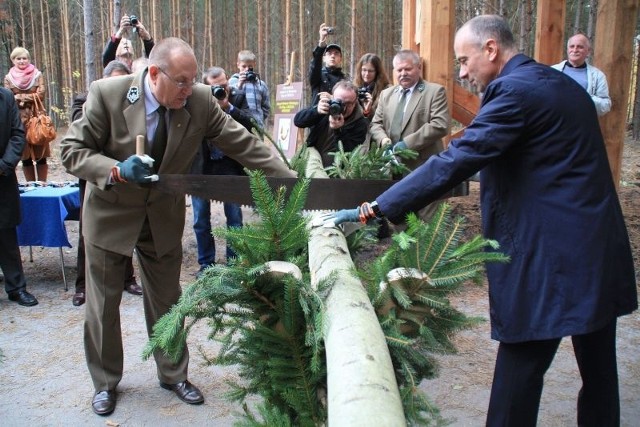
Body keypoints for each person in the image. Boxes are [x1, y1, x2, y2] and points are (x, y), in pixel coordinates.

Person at [323, 15, 637, 427]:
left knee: (518, 373)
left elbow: (455, 160)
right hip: (595, 249)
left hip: (551, 261)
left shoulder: (514, 93)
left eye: (464, 60)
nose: (462, 72)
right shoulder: (556, 83)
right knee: (599, 374)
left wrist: (375, 207)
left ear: (491, 49)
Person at [60, 37, 294, 417]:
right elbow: (72, 151)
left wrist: (289, 181)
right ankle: (104, 383)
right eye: (181, 81)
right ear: (154, 73)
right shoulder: (108, 94)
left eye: (193, 80)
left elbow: (242, 143)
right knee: (103, 307)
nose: (190, 89)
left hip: (162, 217)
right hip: (111, 217)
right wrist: (116, 170)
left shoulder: (199, 101)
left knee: (168, 301)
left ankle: (173, 374)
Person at [70, 60, 142, 307]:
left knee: (127, 231)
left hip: (128, 177)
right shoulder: (85, 100)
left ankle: (127, 279)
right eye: (114, 80)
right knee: (88, 233)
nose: (120, 86)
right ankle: (83, 286)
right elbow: (82, 138)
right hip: (96, 177)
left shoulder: (134, 102)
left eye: (124, 79)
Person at [191, 66, 253, 275]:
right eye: (215, 87)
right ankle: (206, 265)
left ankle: (234, 266)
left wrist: (228, 107)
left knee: (234, 217)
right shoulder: (196, 102)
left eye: (224, 85)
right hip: (202, 168)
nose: (221, 90)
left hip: (230, 166)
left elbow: (250, 124)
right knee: (200, 218)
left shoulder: (239, 97)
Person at [370, 49, 450, 174]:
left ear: (419, 67)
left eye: (407, 69)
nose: (403, 73)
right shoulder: (386, 94)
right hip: (390, 166)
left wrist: (407, 144)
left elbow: (440, 125)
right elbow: (376, 124)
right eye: (399, 70)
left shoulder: (434, 92)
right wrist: (383, 140)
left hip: (421, 166)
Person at [0, 87, 38, 307]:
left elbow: (17, 134)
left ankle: (16, 288)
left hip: (2, 177)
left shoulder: (5, 97)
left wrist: (4, 164)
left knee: (6, 236)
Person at [294, 80, 369, 168]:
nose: (343, 107)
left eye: (348, 104)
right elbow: (298, 121)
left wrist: (338, 130)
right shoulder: (326, 109)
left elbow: (349, 153)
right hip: (314, 158)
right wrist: (316, 111)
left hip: (338, 169)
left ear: (355, 102)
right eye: (339, 102)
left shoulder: (360, 123)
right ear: (332, 98)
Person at [4, 47, 49, 182]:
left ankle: (42, 184)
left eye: (24, 58)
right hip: (18, 119)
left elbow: (41, 94)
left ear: (29, 59)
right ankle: (31, 185)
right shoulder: (8, 78)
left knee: (41, 152)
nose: (22, 61)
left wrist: (20, 97)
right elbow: (8, 97)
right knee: (25, 155)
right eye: (19, 58)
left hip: (37, 118)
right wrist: (26, 96)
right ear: (13, 60)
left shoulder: (37, 75)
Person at [552, 33, 611, 116]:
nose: (575, 50)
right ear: (567, 49)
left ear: (588, 51)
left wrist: (581, 97)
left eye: (580, 47)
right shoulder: (552, 71)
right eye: (572, 46)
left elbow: (605, 105)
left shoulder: (598, 76)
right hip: (555, 123)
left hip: (582, 125)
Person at [228, 50, 270, 130]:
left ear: (254, 64)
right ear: (238, 65)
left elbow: (266, 108)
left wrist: (258, 118)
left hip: (257, 127)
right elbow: (229, 103)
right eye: (244, 66)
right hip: (237, 127)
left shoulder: (261, 85)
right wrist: (239, 85)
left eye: (250, 67)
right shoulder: (232, 82)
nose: (247, 69)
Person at [308, 23, 345, 104]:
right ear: (324, 58)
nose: (333, 56)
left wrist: (332, 98)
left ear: (340, 59)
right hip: (317, 115)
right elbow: (315, 64)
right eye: (329, 53)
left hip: (337, 116)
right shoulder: (317, 75)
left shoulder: (344, 80)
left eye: (336, 53)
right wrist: (321, 42)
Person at [353, 53, 391, 122]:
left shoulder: (386, 90)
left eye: (370, 71)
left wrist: (370, 110)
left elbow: (386, 118)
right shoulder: (355, 87)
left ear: (377, 72)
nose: (367, 74)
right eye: (364, 70)